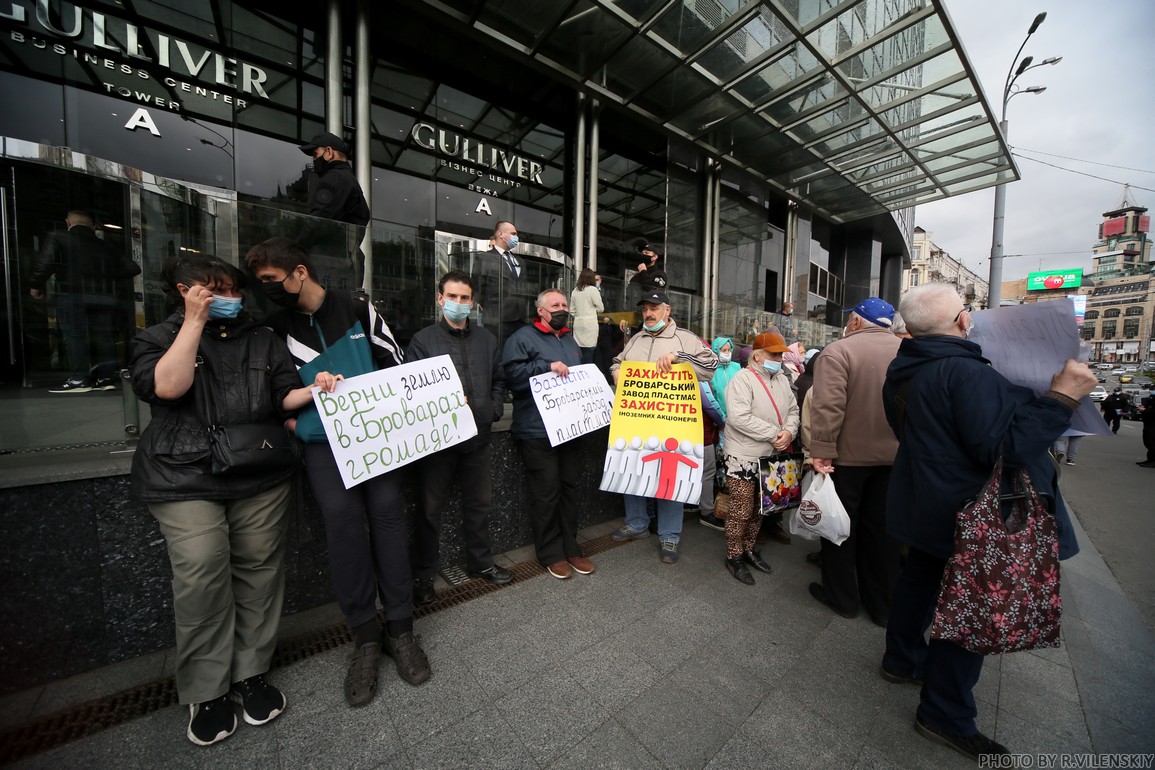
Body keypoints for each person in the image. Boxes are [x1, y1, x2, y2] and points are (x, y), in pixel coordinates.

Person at [880, 282, 1096, 760]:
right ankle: (943, 713)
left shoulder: (906, 366)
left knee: (920, 582)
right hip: (970, 516)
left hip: (929, 506)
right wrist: (1061, 399)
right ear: (961, 322)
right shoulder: (965, 372)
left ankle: (901, 660)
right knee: (971, 609)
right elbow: (1005, 450)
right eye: (967, 310)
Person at [129, 255, 325, 746]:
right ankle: (207, 689)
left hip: (259, 470)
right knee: (202, 571)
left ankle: (250, 673)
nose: (226, 298)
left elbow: (283, 395)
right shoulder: (157, 337)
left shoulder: (263, 338)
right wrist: (193, 324)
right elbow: (167, 387)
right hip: (184, 474)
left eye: (232, 289)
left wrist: (317, 388)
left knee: (260, 570)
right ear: (182, 290)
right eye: (211, 289)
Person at [244, 237, 429, 707]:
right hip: (323, 449)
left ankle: (402, 631)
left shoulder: (357, 308)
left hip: (377, 440)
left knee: (389, 524)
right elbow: (277, 390)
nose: (266, 289)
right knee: (344, 535)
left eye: (272, 280)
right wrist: (294, 414)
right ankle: (365, 639)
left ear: (299, 271)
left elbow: (397, 364)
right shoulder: (274, 328)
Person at [406, 270, 512, 604]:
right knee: (428, 510)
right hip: (439, 443)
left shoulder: (487, 339)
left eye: (464, 298)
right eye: (452, 297)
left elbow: (499, 380)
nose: (458, 303)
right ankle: (422, 577)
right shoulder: (423, 340)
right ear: (440, 299)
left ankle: (481, 564)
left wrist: (493, 409)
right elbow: (412, 390)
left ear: (473, 302)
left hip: (478, 437)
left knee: (479, 505)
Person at [808, 297, 902, 626]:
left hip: (847, 459)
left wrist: (821, 451)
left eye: (850, 319)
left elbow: (828, 407)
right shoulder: (906, 350)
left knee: (839, 528)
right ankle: (883, 607)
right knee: (882, 532)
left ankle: (843, 598)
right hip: (894, 460)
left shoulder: (839, 351)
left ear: (857, 322)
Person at [609, 290, 719, 564]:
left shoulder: (686, 338)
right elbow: (617, 362)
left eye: (654, 308)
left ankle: (670, 535)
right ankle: (637, 523)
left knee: (669, 479)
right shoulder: (636, 339)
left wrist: (679, 357)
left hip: (672, 423)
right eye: (645, 308)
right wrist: (616, 372)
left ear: (667, 310)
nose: (649, 313)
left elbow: (712, 365)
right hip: (636, 421)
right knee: (633, 469)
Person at [502, 288, 594, 579]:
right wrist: (546, 367)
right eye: (555, 305)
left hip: (569, 430)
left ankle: (571, 547)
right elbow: (511, 376)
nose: (561, 308)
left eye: (564, 304)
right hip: (536, 431)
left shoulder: (569, 339)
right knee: (547, 493)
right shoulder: (521, 339)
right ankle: (551, 553)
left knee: (569, 489)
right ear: (540, 310)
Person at [28, 210, 141, 392]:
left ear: (68, 222)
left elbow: (45, 262)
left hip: (72, 293)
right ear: (93, 227)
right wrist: (106, 277)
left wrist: (36, 284)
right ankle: (105, 379)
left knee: (75, 336)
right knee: (104, 337)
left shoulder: (58, 237)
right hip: (104, 296)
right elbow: (132, 268)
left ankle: (79, 379)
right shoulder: (105, 245)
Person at [720, 332, 800, 584]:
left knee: (760, 509)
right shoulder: (742, 379)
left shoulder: (782, 380)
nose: (780, 358)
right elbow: (739, 417)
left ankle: (749, 549)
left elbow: (794, 411)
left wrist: (789, 431)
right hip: (743, 456)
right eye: (774, 354)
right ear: (757, 355)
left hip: (771, 457)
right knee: (741, 510)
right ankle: (734, 555)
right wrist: (776, 433)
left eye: (781, 354)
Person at [298, 132, 370, 284]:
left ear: (329, 152)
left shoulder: (335, 179)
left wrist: (291, 249)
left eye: (315, 154)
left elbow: (317, 221)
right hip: (344, 265)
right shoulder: (349, 181)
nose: (313, 159)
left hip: (330, 265)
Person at [701, 336, 742, 531]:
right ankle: (718, 505)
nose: (726, 353)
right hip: (720, 425)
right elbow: (711, 401)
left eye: (728, 349)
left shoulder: (736, 368)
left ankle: (727, 506)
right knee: (717, 466)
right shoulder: (709, 371)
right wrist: (722, 420)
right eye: (722, 349)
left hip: (738, 423)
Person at [476, 220, 536, 354]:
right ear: (501, 234)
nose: (516, 237)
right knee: (498, 355)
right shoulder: (484, 258)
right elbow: (479, 286)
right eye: (513, 233)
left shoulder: (520, 261)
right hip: (498, 319)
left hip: (521, 318)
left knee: (519, 353)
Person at [569, 268, 604, 365]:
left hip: (578, 323)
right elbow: (601, 308)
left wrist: (579, 315)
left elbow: (571, 310)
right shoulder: (593, 290)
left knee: (579, 352)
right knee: (589, 352)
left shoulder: (575, 291)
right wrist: (592, 311)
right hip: (590, 325)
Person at [1139, 392, 1155, 467]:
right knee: (1147, 442)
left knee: (1152, 444)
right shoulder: (1151, 400)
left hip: (1153, 426)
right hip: (1148, 424)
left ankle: (1153, 461)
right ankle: (1149, 460)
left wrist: (1145, 410)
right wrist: (1143, 408)